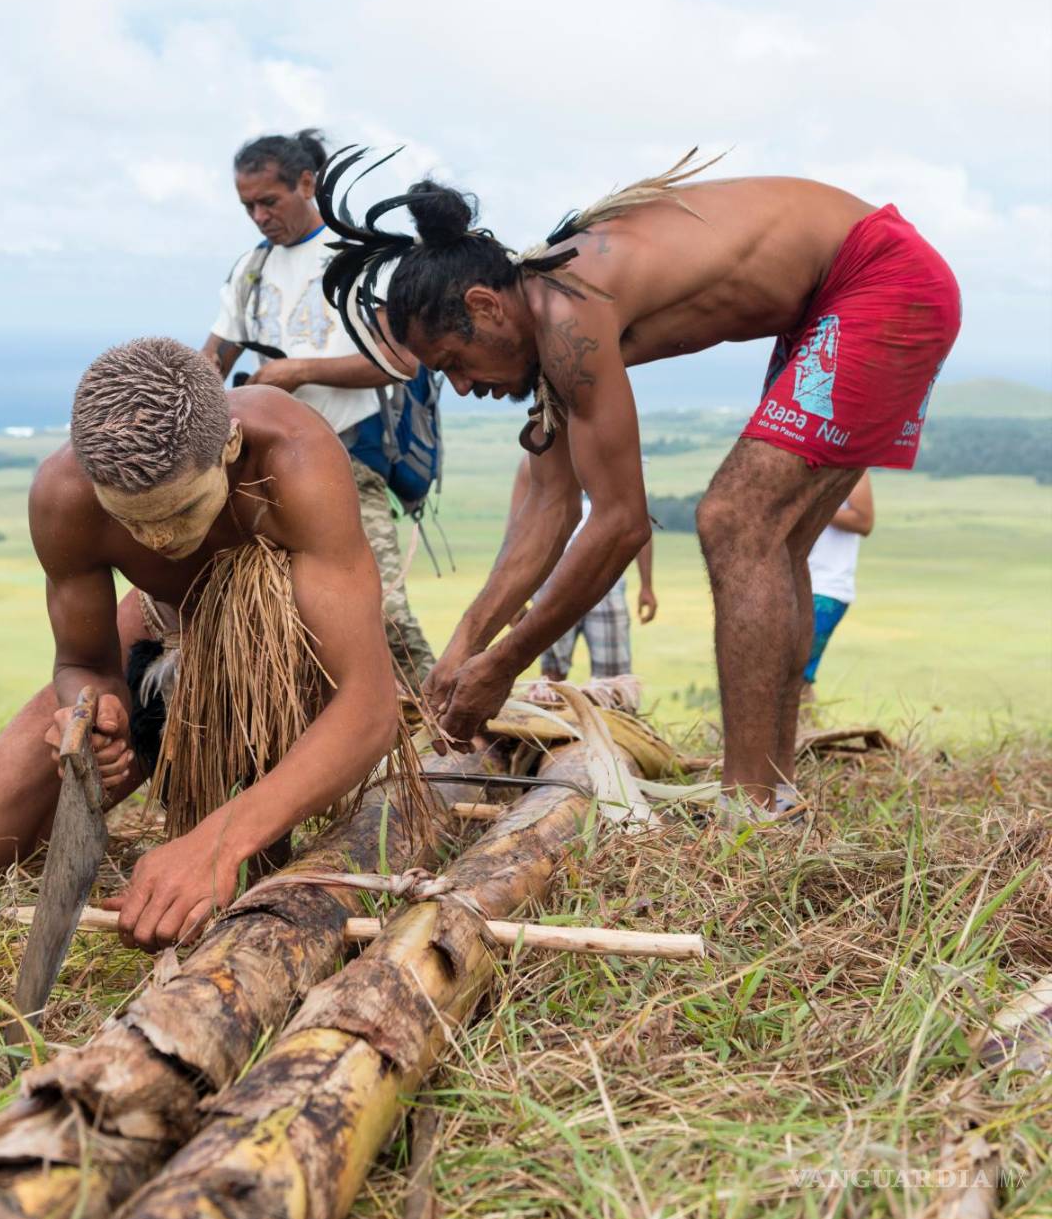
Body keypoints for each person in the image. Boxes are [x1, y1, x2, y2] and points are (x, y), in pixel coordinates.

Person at [316, 149, 960, 810]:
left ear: (485, 306)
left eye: (454, 360)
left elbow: (620, 523)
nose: (461, 386)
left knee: (736, 520)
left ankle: (750, 802)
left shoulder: (567, 310)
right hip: (855, 291)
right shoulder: (548, 319)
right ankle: (771, 791)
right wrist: (464, 649)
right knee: (776, 539)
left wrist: (504, 666)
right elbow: (549, 510)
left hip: (881, 279)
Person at [0, 338, 401, 950]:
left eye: (181, 511)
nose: (157, 540)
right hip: (158, 622)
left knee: (238, 881)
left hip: (285, 647)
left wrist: (218, 841)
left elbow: (368, 707)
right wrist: (93, 711)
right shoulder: (64, 496)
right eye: (132, 519)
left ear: (229, 447)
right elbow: (81, 662)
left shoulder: (295, 457)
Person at [200, 129, 435, 687]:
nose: (258, 216)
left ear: (307, 184)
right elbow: (212, 355)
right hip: (266, 470)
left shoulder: (357, 258)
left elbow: (401, 360)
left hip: (349, 459)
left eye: (269, 201)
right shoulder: (251, 270)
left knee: (382, 611)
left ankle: (443, 733)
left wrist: (295, 371)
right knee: (277, 615)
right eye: (247, 206)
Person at [505, 459, 656, 709]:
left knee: (613, 676)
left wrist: (647, 586)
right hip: (552, 580)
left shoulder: (615, 454)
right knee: (550, 675)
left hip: (607, 580)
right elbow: (518, 529)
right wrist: (515, 594)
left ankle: (618, 735)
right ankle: (551, 737)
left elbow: (638, 522)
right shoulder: (536, 460)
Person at [802, 471, 874, 696]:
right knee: (789, 678)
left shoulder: (853, 463)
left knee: (794, 677)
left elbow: (864, 520)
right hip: (794, 581)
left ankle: (806, 730)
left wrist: (810, 503)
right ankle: (807, 729)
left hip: (826, 587)